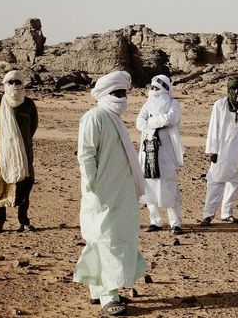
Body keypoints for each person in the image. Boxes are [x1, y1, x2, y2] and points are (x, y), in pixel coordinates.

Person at [74, 71, 148, 316]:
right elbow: (85, 155)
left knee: (107, 241)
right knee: (108, 242)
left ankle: (98, 291)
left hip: (121, 194)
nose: (122, 98)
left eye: (124, 94)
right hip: (102, 194)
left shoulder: (114, 119)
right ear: (105, 94)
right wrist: (92, 187)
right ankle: (109, 296)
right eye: (117, 94)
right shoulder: (94, 117)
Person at [200, 76, 238, 226]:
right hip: (221, 151)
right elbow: (213, 128)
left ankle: (227, 213)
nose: (236, 92)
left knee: (234, 183)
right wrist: (212, 150)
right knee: (215, 182)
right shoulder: (220, 105)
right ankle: (208, 215)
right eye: (233, 89)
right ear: (228, 89)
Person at [0, 70, 38, 233]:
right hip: (3, 152)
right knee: (1, 184)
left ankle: (23, 221)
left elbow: (32, 127)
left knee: (26, 182)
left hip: (24, 152)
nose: (15, 85)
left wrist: (21, 141)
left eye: (18, 82)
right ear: (5, 84)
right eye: (11, 82)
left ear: (22, 84)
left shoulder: (29, 104)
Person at [136, 74, 185, 235]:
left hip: (166, 151)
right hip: (149, 150)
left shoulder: (173, 103)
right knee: (149, 185)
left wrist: (151, 121)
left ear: (164, 88)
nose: (153, 89)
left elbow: (171, 118)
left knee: (169, 184)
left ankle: (175, 223)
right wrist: (157, 121)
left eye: (157, 87)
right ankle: (155, 221)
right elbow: (139, 122)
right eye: (152, 86)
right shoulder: (147, 104)